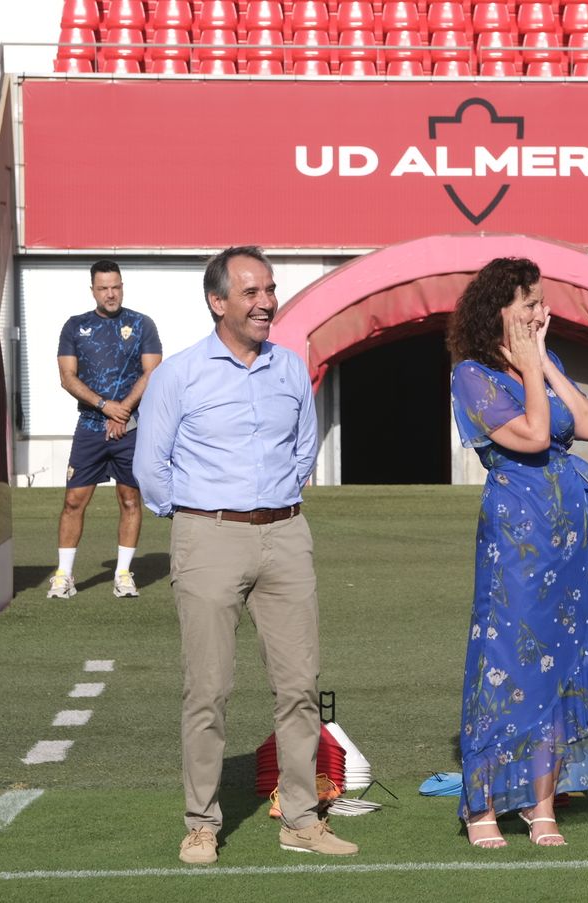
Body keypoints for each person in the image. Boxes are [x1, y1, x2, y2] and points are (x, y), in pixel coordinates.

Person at [134, 246, 357, 864]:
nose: (266, 302)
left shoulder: (290, 368)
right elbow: (151, 468)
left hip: (286, 535)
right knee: (208, 689)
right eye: (251, 292)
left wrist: (274, 504)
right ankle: (201, 824)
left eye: (270, 290)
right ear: (218, 302)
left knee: (300, 686)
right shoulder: (178, 374)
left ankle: (301, 820)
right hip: (208, 536)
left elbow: (304, 447)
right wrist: (199, 517)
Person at [446, 257, 588, 849]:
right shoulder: (472, 375)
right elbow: (531, 435)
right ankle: (483, 804)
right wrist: (530, 366)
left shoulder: (544, 360)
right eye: (529, 303)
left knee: (562, 660)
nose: (541, 312)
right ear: (498, 310)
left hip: (570, 535)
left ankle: (541, 801)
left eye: (540, 301)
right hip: (518, 533)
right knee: (507, 658)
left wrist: (544, 362)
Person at [49, 259, 162, 599]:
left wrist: (122, 410)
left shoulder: (142, 324)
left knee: (129, 499)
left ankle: (123, 575)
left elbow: (153, 371)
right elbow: (67, 377)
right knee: (74, 501)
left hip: (130, 429)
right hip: (90, 427)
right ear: (93, 290)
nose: (110, 294)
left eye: (116, 287)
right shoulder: (75, 326)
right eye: (103, 288)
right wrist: (104, 406)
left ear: (122, 286)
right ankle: (63, 576)